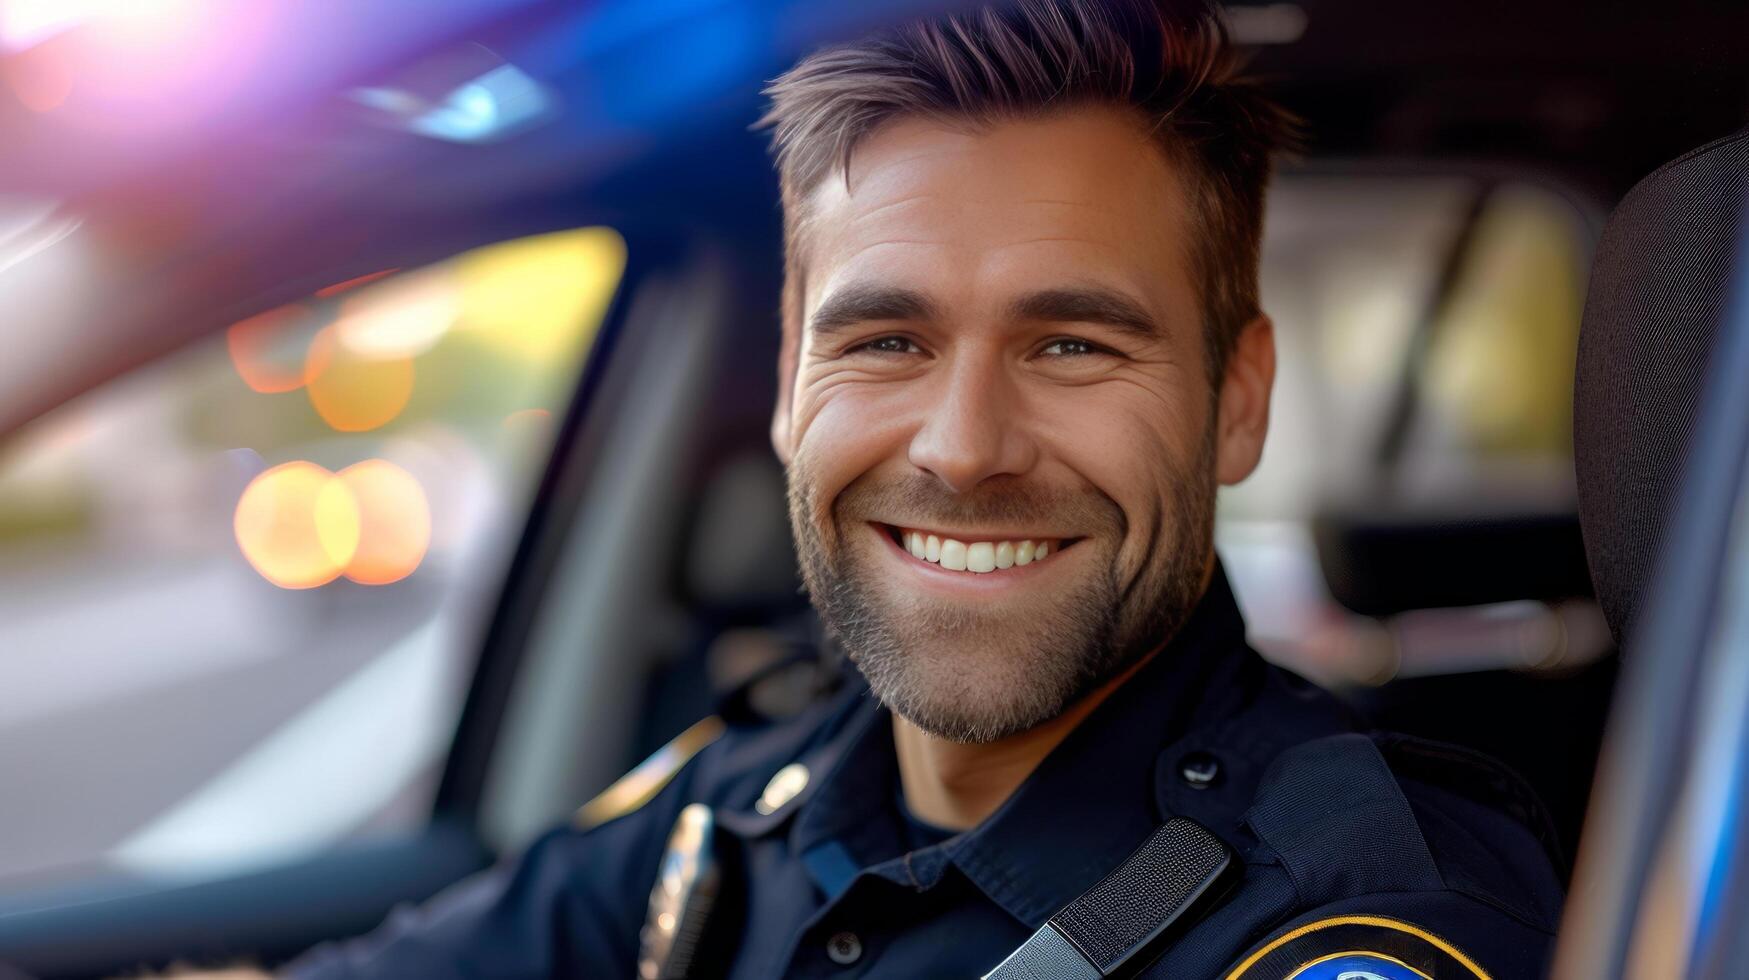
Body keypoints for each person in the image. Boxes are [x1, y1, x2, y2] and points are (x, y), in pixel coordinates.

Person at [184, 0, 1565, 976]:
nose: (962, 449)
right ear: (791, 380)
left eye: (1072, 343)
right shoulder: (741, 807)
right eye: (886, 339)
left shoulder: (1360, 914)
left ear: (1236, 399)